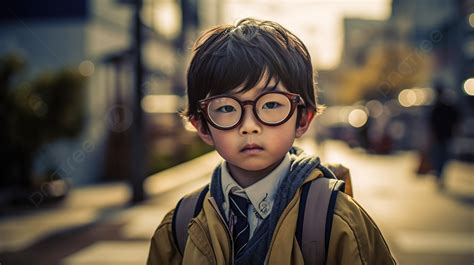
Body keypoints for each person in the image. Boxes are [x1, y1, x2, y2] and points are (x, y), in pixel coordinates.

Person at [147, 18, 396, 265]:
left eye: (271, 104)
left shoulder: (338, 220)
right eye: (225, 108)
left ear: (303, 118)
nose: (249, 126)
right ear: (200, 124)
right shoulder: (180, 226)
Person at [428, 83, 460, 189]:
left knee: (440, 156)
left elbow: (431, 123)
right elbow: (457, 119)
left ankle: (439, 174)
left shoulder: (438, 108)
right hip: (445, 135)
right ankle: (440, 174)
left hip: (441, 136)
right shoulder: (446, 107)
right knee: (442, 156)